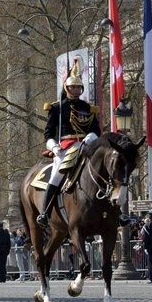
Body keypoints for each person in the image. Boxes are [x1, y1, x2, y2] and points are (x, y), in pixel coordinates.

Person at [37, 60, 102, 228]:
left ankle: (118, 213)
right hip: (66, 147)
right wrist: (54, 146)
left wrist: (91, 137)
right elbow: (48, 133)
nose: (76, 90)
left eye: (79, 87)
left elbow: (96, 129)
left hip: (87, 145)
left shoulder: (88, 108)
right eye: (73, 87)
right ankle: (45, 212)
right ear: (67, 88)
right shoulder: (57, 108)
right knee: (57, 175)